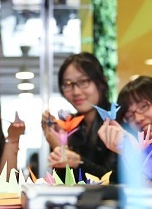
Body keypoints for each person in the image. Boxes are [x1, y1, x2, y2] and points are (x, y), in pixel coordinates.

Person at [43, 52, 118, 182]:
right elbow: (66, 183)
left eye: (83, 81)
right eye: (68, 84)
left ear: (101, 82)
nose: (76, 92)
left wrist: (78, 162)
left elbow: (118, 179)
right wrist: (59, 146)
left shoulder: (118, 119)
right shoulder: (71, 126)